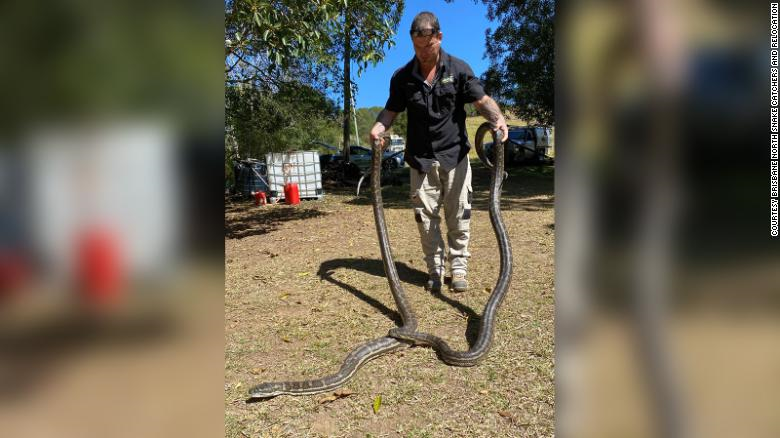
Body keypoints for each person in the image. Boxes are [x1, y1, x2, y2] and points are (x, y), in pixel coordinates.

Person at [369, 11, 508, 293]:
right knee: (425, 219)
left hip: (455, 156)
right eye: (417, 47)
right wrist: (378, 128)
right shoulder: (403, 77)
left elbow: (481, 100)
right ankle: (435, 270)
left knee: (459, 215)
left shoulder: (458, 69)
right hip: (420, 159)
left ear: (439, 37)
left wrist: (498, 119)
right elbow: (390, 111)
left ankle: (458, 268)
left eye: (428, 46)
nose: (423, 52)